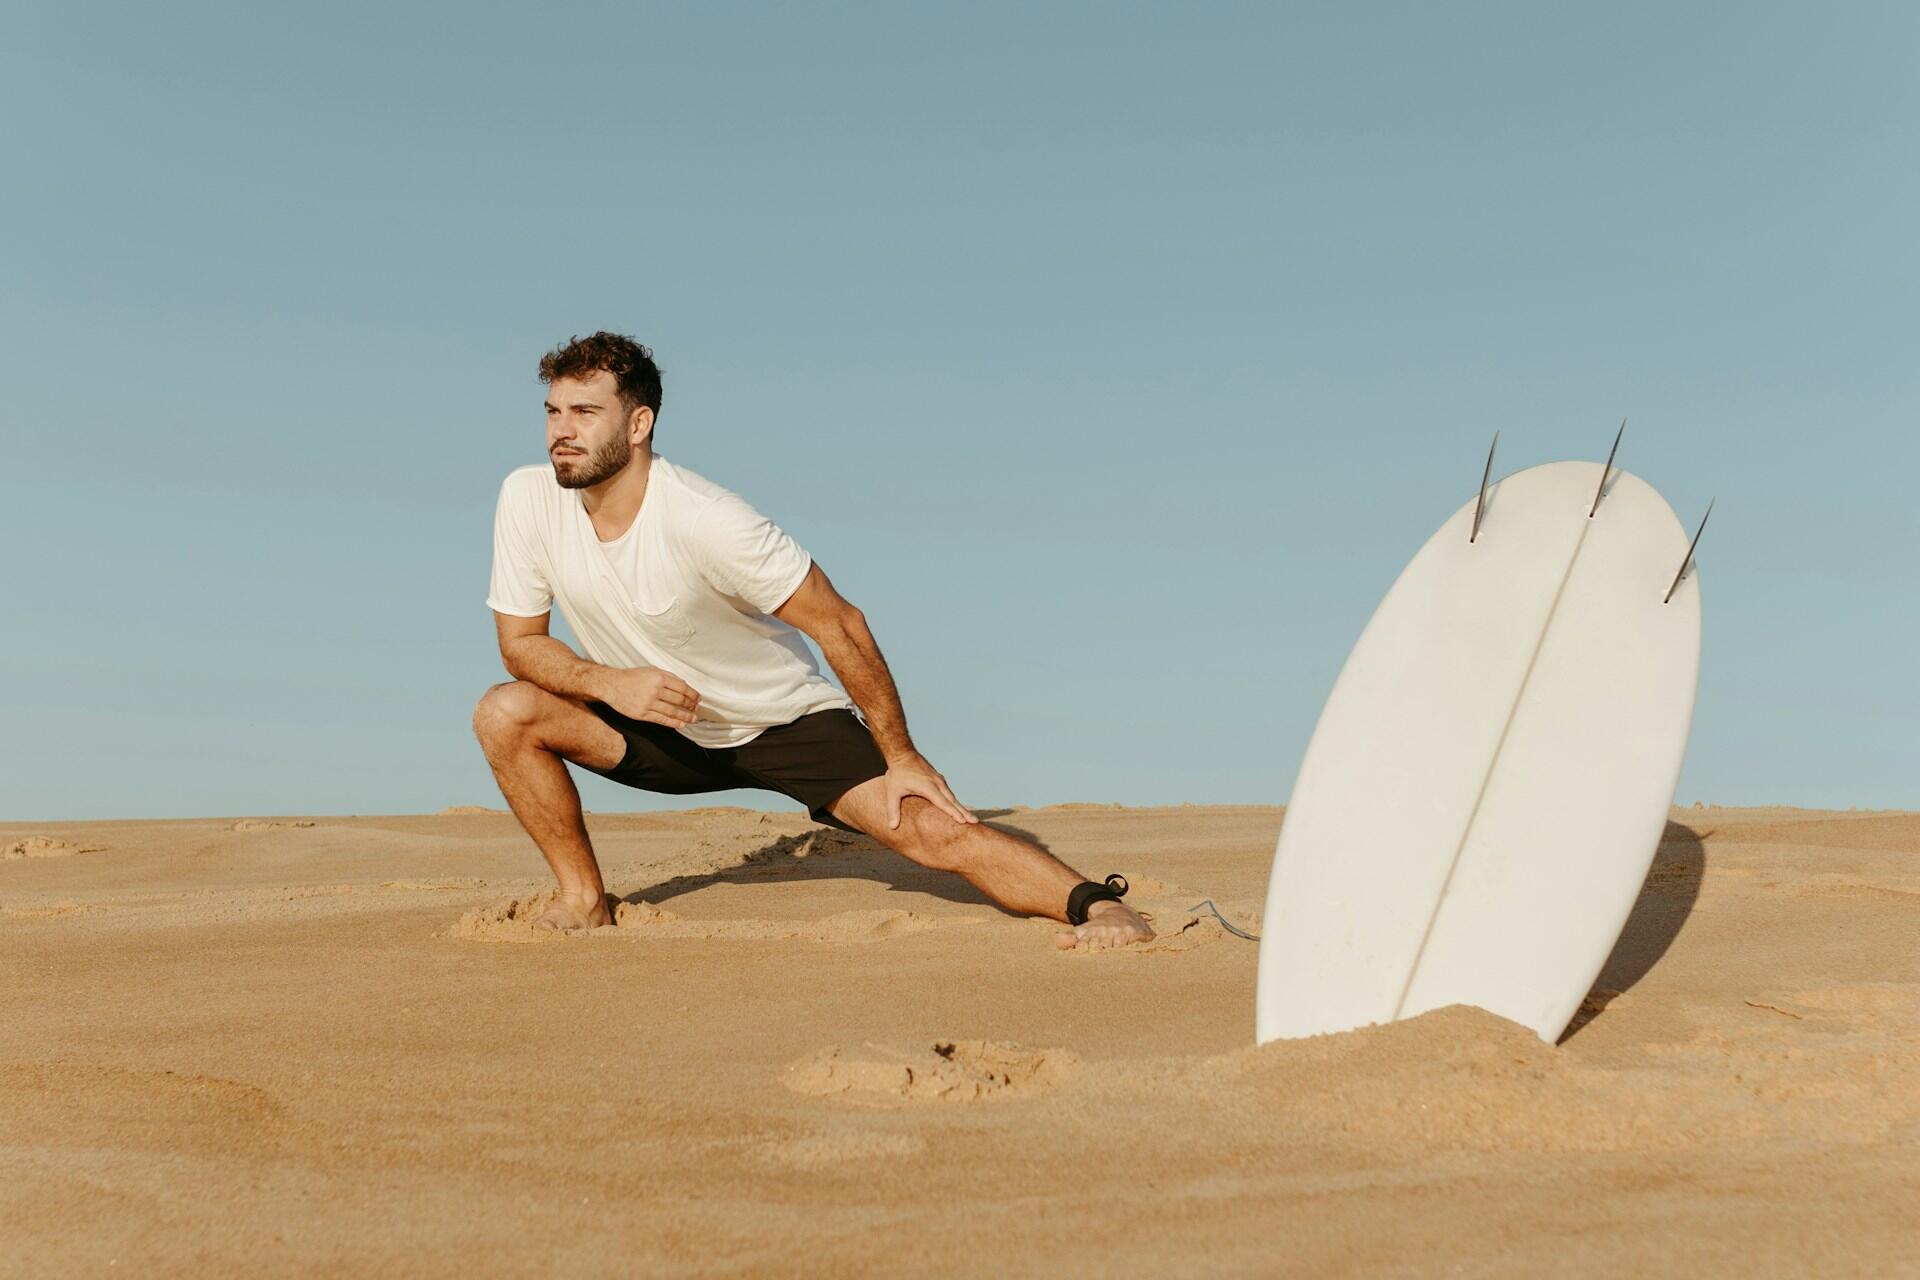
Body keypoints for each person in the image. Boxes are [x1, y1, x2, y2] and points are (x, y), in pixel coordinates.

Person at [474, 331, 1154, 950]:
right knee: (505, 712)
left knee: (928, 830)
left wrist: (902, 754)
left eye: (585, 413)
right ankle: (585, 899)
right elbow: (522, 645)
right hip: (658, 723)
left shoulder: (709, 522)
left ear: (640, 423)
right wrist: (610, 684)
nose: (562, 432)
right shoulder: (528, 499)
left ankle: (1096, 907)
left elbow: (841, 622)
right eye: (553, 412)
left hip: (779, 722)